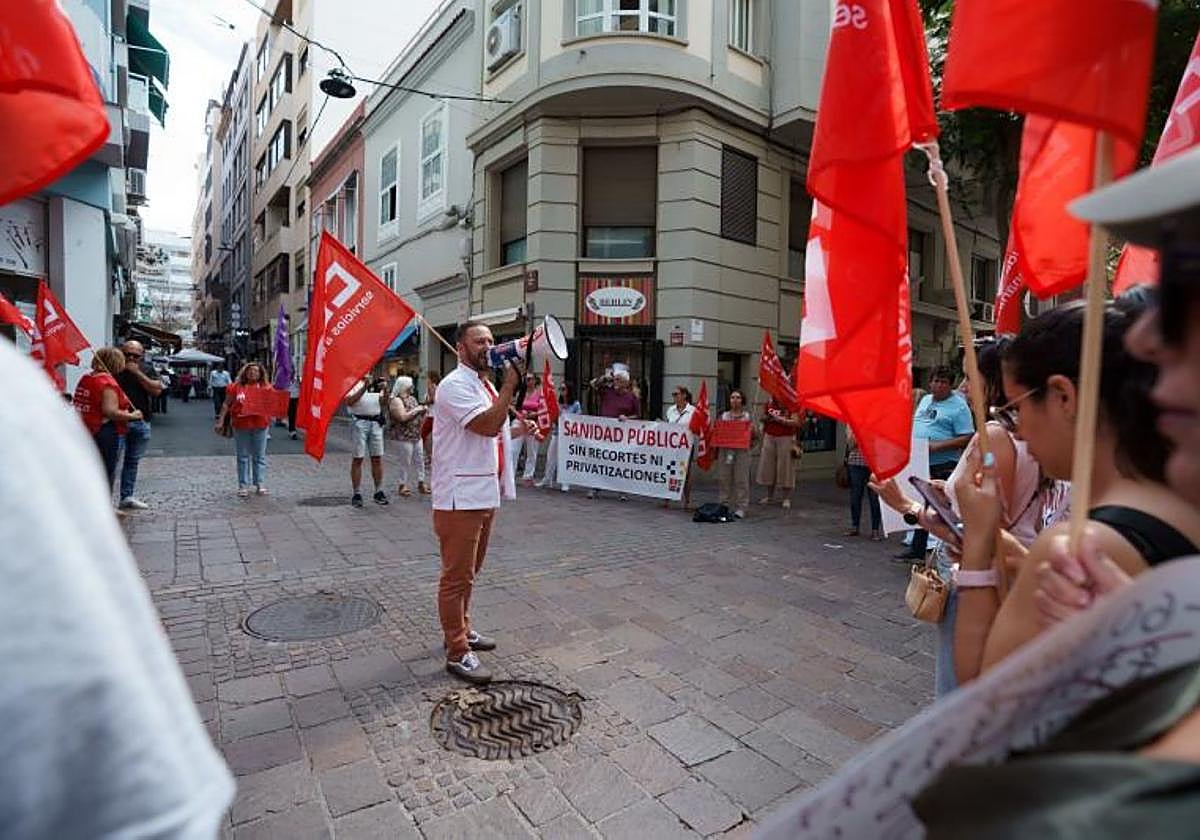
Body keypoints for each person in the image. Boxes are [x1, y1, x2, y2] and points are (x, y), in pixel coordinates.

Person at [0, 339, 235, 838]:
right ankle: (117, 501)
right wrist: (132, 405)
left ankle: (117, 500)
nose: (135, 359)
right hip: (107, 435)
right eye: (129, 353)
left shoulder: (49, 390)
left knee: (110, 478)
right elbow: (143, 804)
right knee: (111, 476)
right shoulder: (20, 404)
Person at [949, 296, 1200, 685]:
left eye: (1015, 409)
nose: (1016, 430)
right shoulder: (1183, 505)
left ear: (1064, 397)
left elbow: (980, 697)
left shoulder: (1078, 550)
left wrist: (978, 547)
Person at [431, 321, 536, 683]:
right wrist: (510, 386)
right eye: (479, 340)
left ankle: (461, 628)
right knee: (456, 577)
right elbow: (486, 426)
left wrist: (522, 430)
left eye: (491, 340)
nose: (487, 346)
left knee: (469, 573)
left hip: (482, 492)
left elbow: (495, 431)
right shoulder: (454, 385)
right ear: (460, 347)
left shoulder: (483, 383)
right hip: (459, 497)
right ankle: (457, 651)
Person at [895, 367, 976, 561]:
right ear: (929, 383)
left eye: (943, 382)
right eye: (935, 381)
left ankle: (946, 551)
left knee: (940, 508)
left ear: (950, 385)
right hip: (919, 461)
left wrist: (939, 446)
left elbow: (968, 436)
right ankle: (917, 548)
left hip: (943, 464)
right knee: (918, 503)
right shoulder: (924, 401)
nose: (938, 385)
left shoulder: (959, 406)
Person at [72, 348, 142, 496]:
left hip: (86, 428)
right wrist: (133, 416)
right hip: (103, 431)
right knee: (105, 470)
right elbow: (110, 411)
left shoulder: (87, 378)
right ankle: (105, 507)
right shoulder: (107, 383)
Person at [115, 340, 163, 512]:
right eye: (127, 354)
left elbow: (157, 390)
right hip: (117, 420)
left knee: (132, 461)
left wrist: (138, 374)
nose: (131, 358)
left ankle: (126, 496)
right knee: (112, 461)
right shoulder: (114, 367)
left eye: (135, 355)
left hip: (141, 421)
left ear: (141, 355)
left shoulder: (147, 369)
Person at [213, 362, 272, 497]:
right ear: (245, 372)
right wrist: (221, 421)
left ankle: (260, 483)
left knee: (259, 456)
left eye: (256, 371)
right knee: (243, 456)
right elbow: (226, 404)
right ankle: (243, 485)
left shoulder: (265, 388)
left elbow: (271, 404)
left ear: (261, 374)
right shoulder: (235, 387)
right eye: (250, 371)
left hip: (260, 424)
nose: (253, 373)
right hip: (241, 424)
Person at [588, 367, 641, 500]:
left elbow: (638, 415)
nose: (615, 382)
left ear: (626, 383)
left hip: (622, 436)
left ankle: (622, 490)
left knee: (620, 462)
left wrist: (628, 418)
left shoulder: (631, 397)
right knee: (601, 459)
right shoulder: (607, 392)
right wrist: (606, 378)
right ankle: (595, 487)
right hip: (605, 434)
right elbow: (593, 384)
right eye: (615, 379)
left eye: (618, 380)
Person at [346, 375, 389, 507]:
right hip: (359, 421)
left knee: (377, 458)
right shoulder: (351, 382)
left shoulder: (376, 383)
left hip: (375, 422)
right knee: (358, 458)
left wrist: (386, 390)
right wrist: (365, 387)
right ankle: (357, 493)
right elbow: (349, 401)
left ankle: (378, 491)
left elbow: (384, 402)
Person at [717, 389, 758, 519]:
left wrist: (750, 440)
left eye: (738, 397)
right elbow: (717, 434)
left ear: (742, 400)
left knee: (741, 479)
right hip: (726, 451)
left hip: (741, 452)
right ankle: (724, 503)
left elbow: (757, 436)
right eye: (732, 397)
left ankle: (741, 507)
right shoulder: (724, 416)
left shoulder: (748, 417)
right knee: (724, 478)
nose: (735, 400)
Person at [757, 397, 801, 509]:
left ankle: (786, 498)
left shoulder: (791, 404)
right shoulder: (769, 403)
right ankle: (769, 496)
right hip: (769, 435)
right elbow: (762, 417)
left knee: (785, 467)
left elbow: (796, 422)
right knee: (768, 466)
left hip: (786, 437)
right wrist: (765, 419)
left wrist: (781, 420)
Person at [537, 382, 582, 492]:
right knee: (551, 456)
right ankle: (547, 479)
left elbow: (578, 419)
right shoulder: (558, 404)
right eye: (560, 389)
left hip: (568, 436)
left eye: (564, 389)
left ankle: (565, 482)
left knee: (565, 458)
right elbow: (552, 418)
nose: (562, 391)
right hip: (557, 433)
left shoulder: (576, 404)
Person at [388, 375, 428, 497]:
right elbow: (402, 417)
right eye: (411, 385)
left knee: (420, 459)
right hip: (403, 436)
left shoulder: (412, 399)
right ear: (404, 386)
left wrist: (423, 412)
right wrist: (417, 410)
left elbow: (419, 416)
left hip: (415, 434)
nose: (413, 387)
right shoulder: (396, 400)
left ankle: (421, 482)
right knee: (405, 461)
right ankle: (402, 484)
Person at [843, 427, 883, 540]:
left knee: (874, 497)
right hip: (856, 462)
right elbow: (850, 444)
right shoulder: (852, 422)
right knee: (855, 496)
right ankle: (855, 526)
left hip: (875, 463)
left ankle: (875, 529)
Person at [664, 386, 697, 510]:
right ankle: (666, 498)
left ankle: (687, 501)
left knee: (685, 473)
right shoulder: (671, 410)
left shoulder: (693, 411)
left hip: (686, 446)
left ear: (684, 395)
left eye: (676, 394)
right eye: (673, 394)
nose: (674, 397)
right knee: (669, 470)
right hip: (671, 446)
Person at [512, 372, 543, 486]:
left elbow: (543, 410)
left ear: (535, 381)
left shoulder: (540, 394)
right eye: (526, 379)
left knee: (531, 451)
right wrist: (521, 413)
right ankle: (511, 474)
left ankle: (528, 476)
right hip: (520, 422)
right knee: (513, 449)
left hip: (532, 423)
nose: (528, 381)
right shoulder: (521, 393)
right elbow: (515, 406)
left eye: (530, 379)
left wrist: (532, 414)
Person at [286, 372, 301, 439]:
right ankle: (292, 430)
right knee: (292, 410)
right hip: (291, 388)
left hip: (303, 387)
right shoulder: (288, 361)